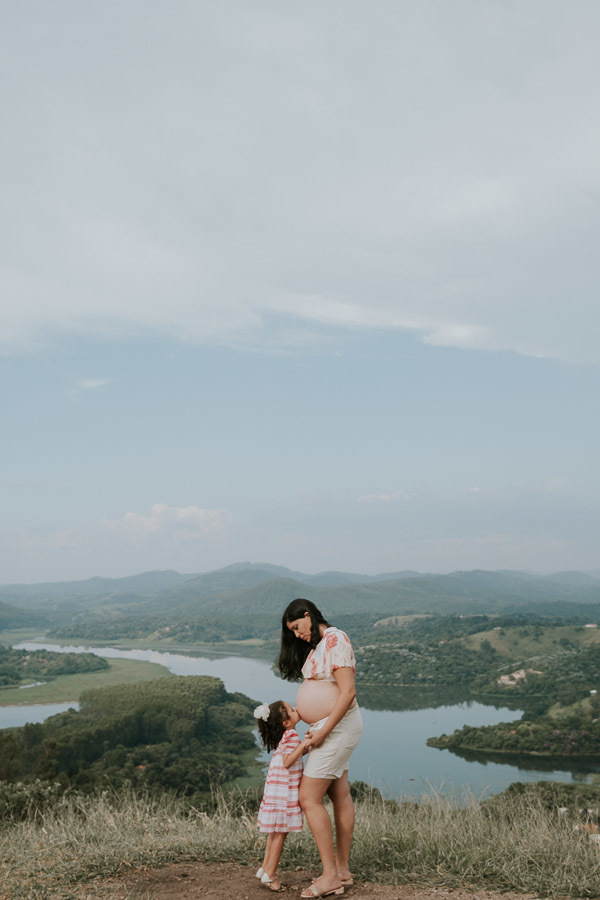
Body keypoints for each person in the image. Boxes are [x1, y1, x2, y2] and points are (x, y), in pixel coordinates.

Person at [278, 598, 363, 899]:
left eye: (297, 627)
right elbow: (321, 692)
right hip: (326, 728)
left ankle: (330, 877)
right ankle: (341, 871)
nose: (297, 635)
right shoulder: (318, 646)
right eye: (292, 632)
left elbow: (348, 692)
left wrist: (323, 731)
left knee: (308, 797)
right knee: (339, 794)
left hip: (336, 728)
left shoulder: (336, 639)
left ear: (308, 615)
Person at [254, 699, 308, 892]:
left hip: (276, 788)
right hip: (284, 790)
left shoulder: (285, 735)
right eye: (292, 710)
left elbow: (289, 756)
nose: (296, 709)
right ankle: (270, 874)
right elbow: (287, 762)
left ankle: (265, 867)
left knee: (274, 832)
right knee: (280, 833)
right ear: (286, 722)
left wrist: (304, 747)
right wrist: (305, 745)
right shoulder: (292, 734)